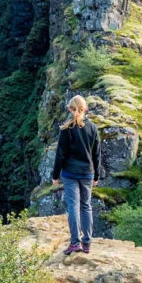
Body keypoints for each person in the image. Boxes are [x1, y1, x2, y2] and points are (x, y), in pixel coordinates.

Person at [50, 95, 103, 255]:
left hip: (70, 173)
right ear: (85, 108)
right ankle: (87, 242)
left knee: (73, 207)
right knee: (86, 206)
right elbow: (97, 154)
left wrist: (55, 175)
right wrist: (97, 176)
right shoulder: (93, 128)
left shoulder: (66, 129)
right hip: (87, 172)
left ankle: (75, 243)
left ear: (70, 109)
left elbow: (60, 155)